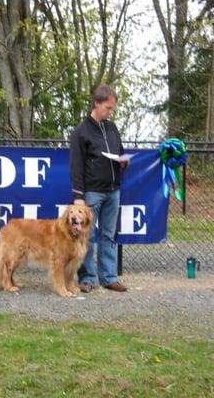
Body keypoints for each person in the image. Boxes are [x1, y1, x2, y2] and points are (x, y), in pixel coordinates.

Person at [69, 85, 129, 293]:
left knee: (109, 235)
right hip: (92, 191)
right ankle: (86, 277)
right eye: (108, 108)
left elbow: (120, 152)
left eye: (112, 109)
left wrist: (123, 161)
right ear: (97, 103)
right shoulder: (81, 132)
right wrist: (78, 196)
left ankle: (109, 276)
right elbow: (76, 166)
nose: (110, 112)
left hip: (114, 190)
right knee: (87, 236)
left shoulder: (112, 128)